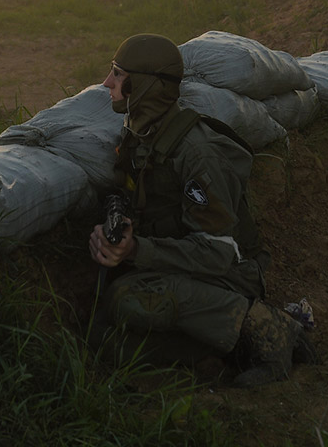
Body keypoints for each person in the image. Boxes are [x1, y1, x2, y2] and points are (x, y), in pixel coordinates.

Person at [88, 33, 315, 387]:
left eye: (118, 74)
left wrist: (136, 250)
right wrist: (112, 233)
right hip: (181, 262)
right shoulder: (141, 135)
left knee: (127, 298)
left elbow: (218, 253)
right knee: (104, 340)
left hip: (228, 272)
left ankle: (269, 328)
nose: (107, 83)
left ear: (144, 85)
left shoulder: (196, 153)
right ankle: (225, 351)